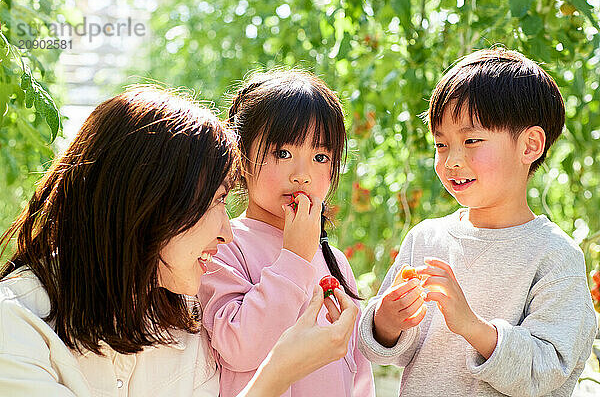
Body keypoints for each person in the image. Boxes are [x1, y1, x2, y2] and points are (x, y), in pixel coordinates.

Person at [0, 85, 360, 397]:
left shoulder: (184, 328)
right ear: (148, 204)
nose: (227, 231)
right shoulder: (17, 323)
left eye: (320, 156)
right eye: (216, 201)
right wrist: (277, 373)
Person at [358, 48, 598, 396]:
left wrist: (473, 326)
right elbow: (386, 349)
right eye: (441, 145)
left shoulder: (555, 255)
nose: (452, 160)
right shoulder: (426, 239)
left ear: (530, 145)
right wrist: (387, 322)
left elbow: (549, 369)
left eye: (471, 140)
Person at [199, 70, 375, 397]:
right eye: (283, 153)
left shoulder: (334, 261)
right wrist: (293, 258)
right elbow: (239, 347)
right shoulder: (224, 248)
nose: (302, 175)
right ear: (241, 157)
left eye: (320, 157)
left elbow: (358, 371)